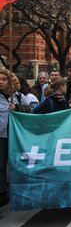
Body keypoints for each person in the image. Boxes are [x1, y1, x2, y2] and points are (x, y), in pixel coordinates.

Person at [0, 70, 31, 205]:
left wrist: (17, 108)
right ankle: (1, 193)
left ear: (11, 82)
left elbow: (30, 111)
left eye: (4, 79)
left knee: (17, 163)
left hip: (16, 137)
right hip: (1, 136)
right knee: (1, 165)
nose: (0, 82)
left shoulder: (18, 97)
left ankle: (19, 189)